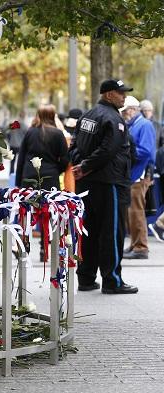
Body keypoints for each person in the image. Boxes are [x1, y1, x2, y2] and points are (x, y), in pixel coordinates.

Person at [69, 78, 138, 294]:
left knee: (88, 230)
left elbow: (73, 145)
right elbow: (108, 150)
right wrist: (87, 166)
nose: (124, 97)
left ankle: (86, 278)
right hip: (110, 183)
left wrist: (81, 165)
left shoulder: (86, 116)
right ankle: (112, 280)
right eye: (120, 93)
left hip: (87, 184)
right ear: (108, 94)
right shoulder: (113, 119)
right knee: (112, 232)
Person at [15, 105, 69, 261]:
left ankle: (22, 246)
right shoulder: (58, 134)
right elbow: (65, 159)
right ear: (53, 116)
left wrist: (19, 181)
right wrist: (56, 170)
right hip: (50, 177)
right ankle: (45, 249)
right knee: (49, 213)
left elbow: (21, 157)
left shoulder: (30, 133)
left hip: (29, 176)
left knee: (25, 212)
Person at [120, 96, 156, 259]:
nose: (124, 114)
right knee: (132, 212)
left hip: (139, 175)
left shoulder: (144, 125)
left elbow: (146, 151)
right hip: (134, 174)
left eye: (126, 111)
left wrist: (126, 152)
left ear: (133, 110)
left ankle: (140, 246)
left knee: (136, 211)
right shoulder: (135, 124)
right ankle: (136, 244)